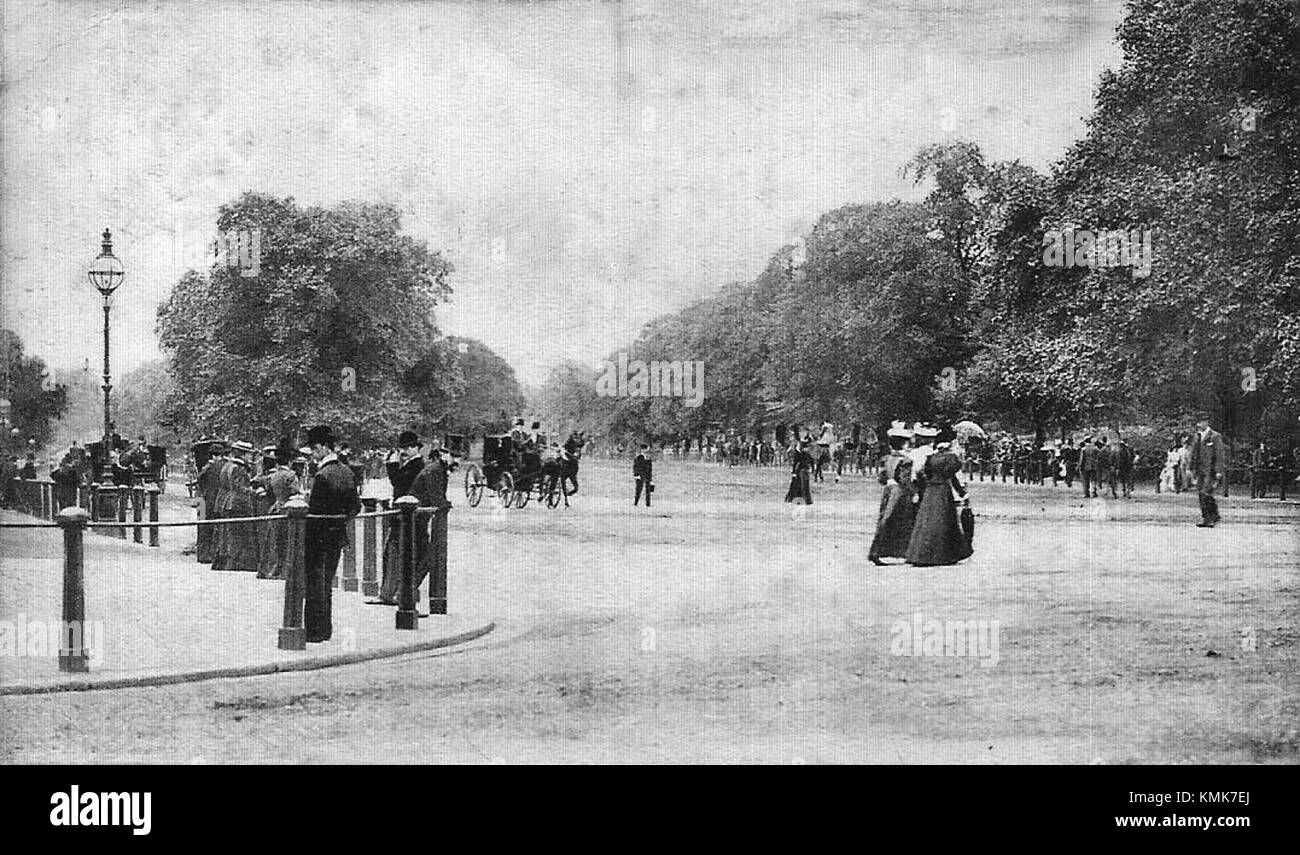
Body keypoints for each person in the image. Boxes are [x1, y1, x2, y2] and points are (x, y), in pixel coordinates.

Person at [303, 425, 361, 642]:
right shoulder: (347, 471)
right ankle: (324, 629)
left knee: (314, 584)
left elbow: (315, 513)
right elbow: (355, 506)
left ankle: (314, 632)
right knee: (326, 583)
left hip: (318, 538)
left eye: (315, 448)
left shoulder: (322, 475)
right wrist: (341, 521)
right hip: (337, 537)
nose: (313, 452)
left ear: (324, 448)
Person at [370, 430, 425, 606]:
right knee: (391, 552)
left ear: (417, 448)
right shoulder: (409, 464)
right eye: (403, 447)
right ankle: (389, 592)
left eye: (409, 447)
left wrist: (392, 465)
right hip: (401, 515)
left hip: (407, 517)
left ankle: (393, 593)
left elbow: (399, 483)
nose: (405, 450)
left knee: (396, 552)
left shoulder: (416, 465)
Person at [905, 425, 972, 566]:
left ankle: (919, 553)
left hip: (930, 491)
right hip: (942, 490)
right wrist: (962, 493)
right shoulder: (951, 458)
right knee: (944, 520)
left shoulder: (931, 458)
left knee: (926, 521)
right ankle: (943, 554)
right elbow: (952, 477)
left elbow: (923, 475)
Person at [869, 422, 915, 566]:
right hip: (900, 492)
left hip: (888, 491)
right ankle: (899, 551)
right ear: (903, 444)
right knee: (901, 520)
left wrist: (889, 481)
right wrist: (913, 491)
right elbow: (904, 480)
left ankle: (877, 551)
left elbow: (881, 478)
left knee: (885, 518)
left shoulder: (887, 459)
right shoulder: (905, 460)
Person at [255, 448, 300, 579]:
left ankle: (271, 569)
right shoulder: (290, 475)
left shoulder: (272, 476)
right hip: (288, 509)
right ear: (290, 462)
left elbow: (268, 493)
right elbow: (294, 492)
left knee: (274, 540)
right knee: (287, 540)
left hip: (275, 508)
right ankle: (284, 570)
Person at [220, 441, 260, 572]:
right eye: (249, 454)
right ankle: (239, 564)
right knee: (241, 534)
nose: (250, 457)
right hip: (239, 503)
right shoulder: (239, 467)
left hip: (228, 501)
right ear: (243, 454)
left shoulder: (228, 465)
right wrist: (254, 491)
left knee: (231, 533)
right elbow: (239, 487)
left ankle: (230, 562)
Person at [1190, 415, 1225, 528]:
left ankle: (1210, 518)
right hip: (1199, 469)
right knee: (1201, 493)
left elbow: (1219, 454)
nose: (1199, 425)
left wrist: (1218, 470)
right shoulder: (1197, 436)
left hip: (1210, 469)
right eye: (1198, 423)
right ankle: (1210, 515)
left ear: (1206, 422)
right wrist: (1190, 468)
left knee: (1206, 492)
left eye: (1201, 422)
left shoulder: (1215, 436)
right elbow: (1194, 454)